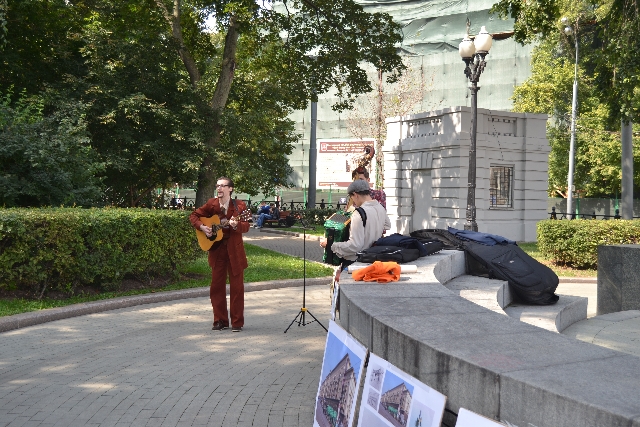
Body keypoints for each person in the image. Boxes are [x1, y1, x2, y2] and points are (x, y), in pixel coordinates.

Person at [189, 177, 250, 332]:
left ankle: (237, 322)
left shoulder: (240, 206)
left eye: (223, 186)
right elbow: (194, 216)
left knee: (237, 287)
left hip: (234, 251)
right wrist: (202, 227)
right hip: (217, 251)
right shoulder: (212, 204)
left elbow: (246, 226)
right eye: (217, 186)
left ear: (230, 189)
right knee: (216, 287)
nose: (219, 188)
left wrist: (236, 225)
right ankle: (220, 320)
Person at [320, 179, 390, 281]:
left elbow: (355, 245)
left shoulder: (359, 213)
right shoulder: (380, 207)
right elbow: (387, 226)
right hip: (372, 260)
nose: (353, 201)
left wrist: (330, 245)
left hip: (355, 264)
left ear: (355, 194)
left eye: (351, 197)